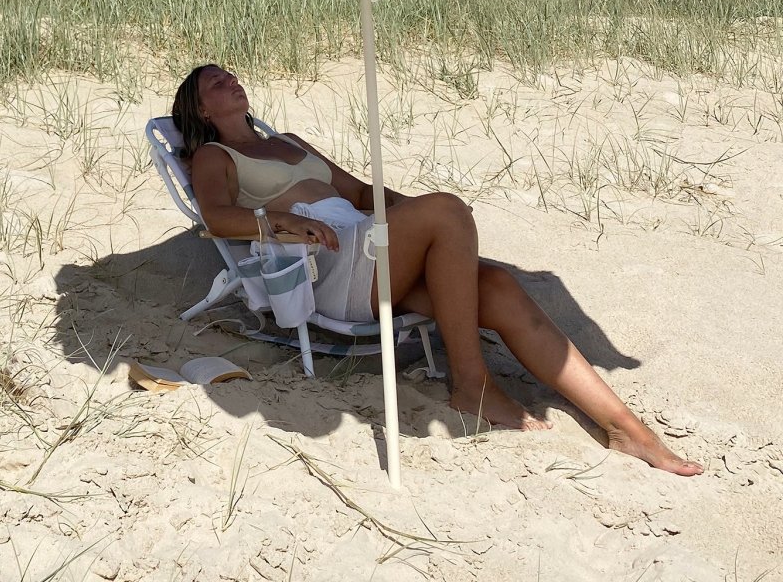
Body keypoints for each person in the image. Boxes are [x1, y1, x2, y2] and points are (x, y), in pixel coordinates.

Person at [172, 64, 703, 476]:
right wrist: (282, 217)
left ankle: (625, 428)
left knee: (495, 284)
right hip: (326, 266)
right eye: (215, 82)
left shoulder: (288, 142)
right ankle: (471, 384)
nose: (230, 79)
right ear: (200, 109)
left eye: (230, 73)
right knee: (446, 208)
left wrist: (414, 216)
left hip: (372, 246)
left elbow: (358, 193)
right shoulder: (215, 156)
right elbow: (218, 220)